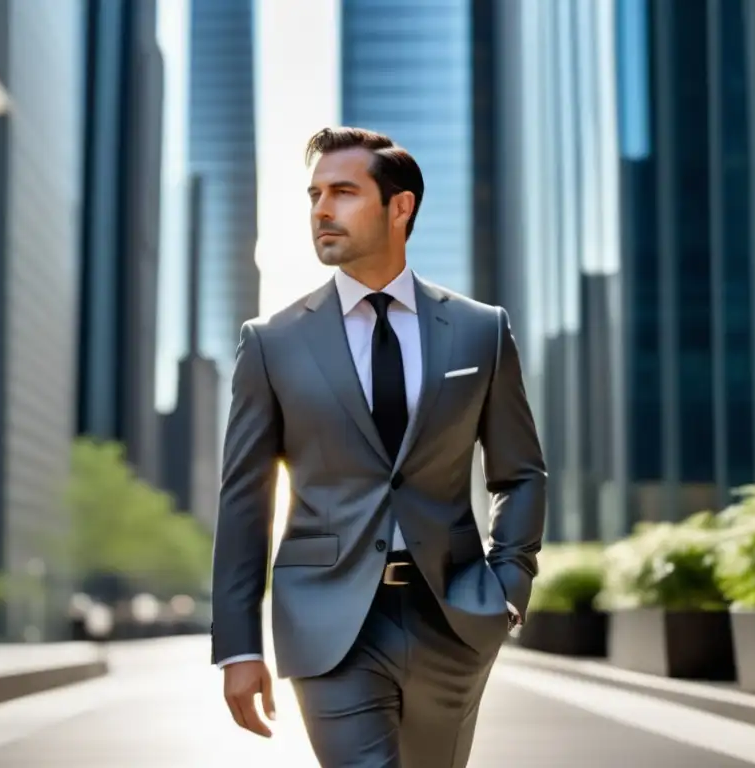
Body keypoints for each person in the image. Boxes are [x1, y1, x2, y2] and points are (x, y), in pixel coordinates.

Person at [211, 126, 547, 767]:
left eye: (342, 191)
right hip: (328, 620)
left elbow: (521, 472)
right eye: (314, 195)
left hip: (453, 617)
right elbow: (244, 501)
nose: (321, 210)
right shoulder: (271, 343)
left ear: (400, 208)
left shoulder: (480, 331)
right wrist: (239, 646)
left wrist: (510, 584)